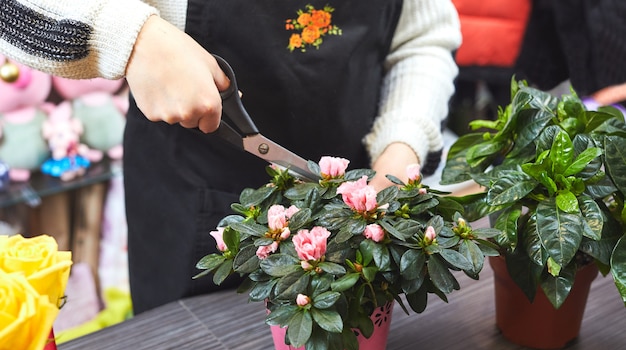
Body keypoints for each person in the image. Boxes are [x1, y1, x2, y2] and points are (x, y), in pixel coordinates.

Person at [0, 0, 462, 314]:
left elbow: (423, 40)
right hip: (191, 201)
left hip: (357, 210)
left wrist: (400, 149)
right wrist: (130, 38)